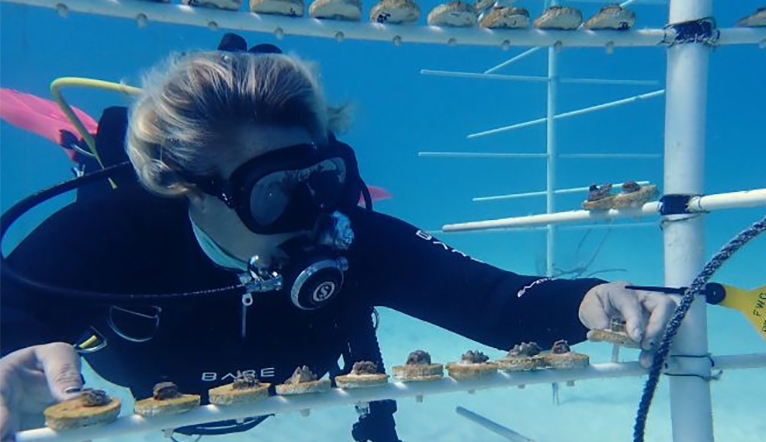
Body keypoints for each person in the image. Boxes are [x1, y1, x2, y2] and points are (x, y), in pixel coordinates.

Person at [0, 34, 675, 442]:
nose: (314, 211)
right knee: (103, 175)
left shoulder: (351, 239)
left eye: (322, 175)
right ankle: (92, 143)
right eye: (275, 190)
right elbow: (14, 310)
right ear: (194, 189)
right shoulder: (110, 236)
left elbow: (497, 302)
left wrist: (589, 299)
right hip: (132, 355)